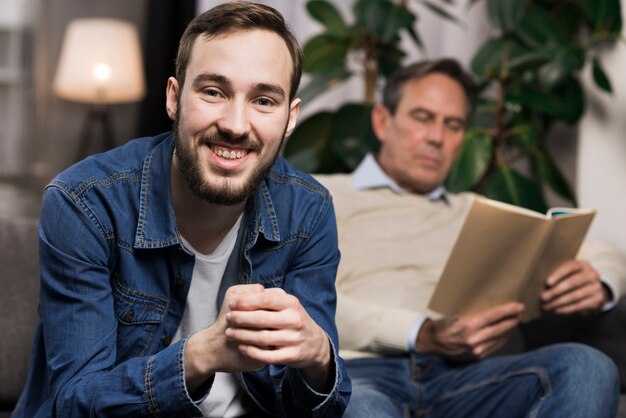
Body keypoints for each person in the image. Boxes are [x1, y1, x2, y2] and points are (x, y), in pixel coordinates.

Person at [13, 3, 350, 417]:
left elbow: (315, 408)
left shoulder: (309, 210)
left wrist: (319, 358)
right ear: (174, 97)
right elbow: (75, 404)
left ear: (290, 118)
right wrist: (201, 354)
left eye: (264, 100)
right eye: (213, 92)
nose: (236, 125)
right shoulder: (84, 203)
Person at [315, 58, 626, 417]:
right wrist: (420, 331)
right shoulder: (317, 193)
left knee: (587, 367)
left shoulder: (477, 211)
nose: (436, 137)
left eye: (454, 125)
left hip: (465, 377)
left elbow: (602, 251)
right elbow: (301, 296)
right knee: (360, 410)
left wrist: (601, 282)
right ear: (383, 121)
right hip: (361, 373)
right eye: (422, 117)